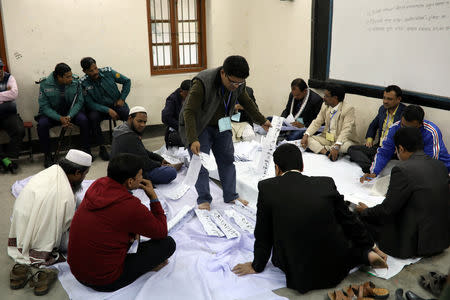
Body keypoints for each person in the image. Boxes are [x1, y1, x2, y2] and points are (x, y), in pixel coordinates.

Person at [232, 143, 387, 293]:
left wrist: (256, 265)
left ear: (277, 168)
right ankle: (364, 254)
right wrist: (372, 245)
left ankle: (361, 254)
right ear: (302, 167)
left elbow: (263, 233)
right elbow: (349, 220)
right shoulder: (325, 183)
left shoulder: (267, 187)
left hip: (297, 271)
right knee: (344, 227)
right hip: (334, 266)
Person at [68, 153, 175, 292]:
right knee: (168, 244)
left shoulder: (97, 185)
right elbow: (161, 231)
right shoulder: (130, 206)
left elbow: (113, 219)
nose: (142, 178)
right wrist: (153, 198)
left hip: (76, 271)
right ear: (130, 182)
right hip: (103, 280)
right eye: (140, 175)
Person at [179, 55, 271, 210]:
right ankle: (204, 198)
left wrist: (262, 120)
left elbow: (246, 102)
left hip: (222, 123)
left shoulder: (239, 83)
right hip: (200, 125)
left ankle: (231, 195)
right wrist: (193, 138)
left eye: (239, 82)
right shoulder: (202, 82)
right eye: (233, 82)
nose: (236, 86)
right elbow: (189, 111)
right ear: (223, 73)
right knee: (200, 162)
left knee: (227, 159)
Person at [356, 127, 449, 258]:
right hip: (440, 240)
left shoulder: (402, 170)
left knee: (359, 219)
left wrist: (366, 211)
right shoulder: (440, 165)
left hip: (412, 244)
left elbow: (388, 209)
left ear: (400, 148)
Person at [8, 149, 91, 266]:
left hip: (22, 224)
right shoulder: (63, 196)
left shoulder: (54, 171)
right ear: (77, 173)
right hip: (34, 235)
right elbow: (60, 230)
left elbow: (75, 199)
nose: (84, 178)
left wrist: (86, 210)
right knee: (85, 240)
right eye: (85, 174)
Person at [361, 105, 450, 182]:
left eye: (409, 128)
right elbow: (384, 153)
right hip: (410, 166)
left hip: (438, 170)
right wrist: (373, 173)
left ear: (420, 124)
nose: (404, 130)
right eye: (402, 125)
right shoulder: (395, 128)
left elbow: (428, 164)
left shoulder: (431, 132)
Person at [36, 63, 90, 168]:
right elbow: (44, 107)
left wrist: (69, 116)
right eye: (68, 77)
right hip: (53, 114)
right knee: (42, 125)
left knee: (83, 120)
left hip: (70, 112)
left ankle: (86, 151)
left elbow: (79, 102)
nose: (71, 79)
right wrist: (59, 118)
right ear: (59, 77)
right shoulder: (45, 84)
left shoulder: (76, 82)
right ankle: (47, 156)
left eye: (71, 75)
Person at [111, 106, 181, 184]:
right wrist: (161, 165)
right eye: (139, 121)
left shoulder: (122, 129)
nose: (142, 125)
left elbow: (143, 151)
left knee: (154, 157)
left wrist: (161, 159)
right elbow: (145, 163)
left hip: (123, 168)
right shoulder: (129, 135)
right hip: (127, 175)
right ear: (130, 118)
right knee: (171, 172)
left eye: (144, 122)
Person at [80, 57, 131, 161]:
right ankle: (102, 147)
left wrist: (122, 98)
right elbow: (89, 103)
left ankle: (132, 143)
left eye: (95, 68)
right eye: (91, 70)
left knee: (129, 115)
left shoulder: (109, 72)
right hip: (98, 108)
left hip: (115, 104)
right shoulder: (83, 83)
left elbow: (127, 81)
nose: (95, 72)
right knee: (93, 118)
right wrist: (108, 110)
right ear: (84, 71)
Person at [348, 85, 405, 173]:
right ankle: (370, 165)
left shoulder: (404, 113)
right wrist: (369, 139)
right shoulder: (382, 109)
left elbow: (407, 134)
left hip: (392, 151)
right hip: (379, 147)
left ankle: (372, 163)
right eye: (384, 98)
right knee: (352, 149)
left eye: (389, 99)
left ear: (398, 99)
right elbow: (373, 125)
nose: (385, 101)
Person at [301, 83, 358, 161]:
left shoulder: (348, 109)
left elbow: (346, 130)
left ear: (335, 98)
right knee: (308, 139)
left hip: (343, 140)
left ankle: (324, 149)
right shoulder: (325, 105)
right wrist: (306, 134)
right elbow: (317, 122)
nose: (323, 98)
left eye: (326, 96)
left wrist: (337, 146)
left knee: (347, 147)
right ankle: (327, 152)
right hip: (327, 139)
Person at [0, 58, 24, 172]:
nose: (0, 71)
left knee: (19, 130)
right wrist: (5, 96)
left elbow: (13, 94)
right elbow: (9, 95)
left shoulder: (9, 77)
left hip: (8, 114)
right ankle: (5, 160)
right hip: (6, 109)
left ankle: (9, 158)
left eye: (1, 68)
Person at [161, 79, 191, 147]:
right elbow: (165, 117)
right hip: (176, 130)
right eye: (187, 95)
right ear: (181, 92)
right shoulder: (172, 99)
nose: (189, 97)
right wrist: (181, 127)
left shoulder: (194, 98)